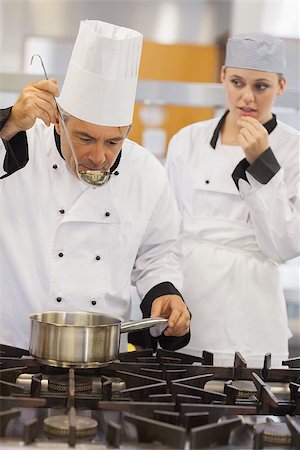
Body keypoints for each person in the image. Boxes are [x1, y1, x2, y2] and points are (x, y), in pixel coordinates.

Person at [0, 19, 190, 355]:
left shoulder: (146, 172)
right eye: (85, 138)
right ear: (59, 122)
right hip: (14, 348)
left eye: (114, 141)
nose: (99, 156)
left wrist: (164, 291)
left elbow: (158, 253)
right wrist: (8, 122)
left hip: (103, 355)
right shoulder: (17, 148)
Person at [165, 32, 300, 367]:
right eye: (238, 82)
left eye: (261, 86)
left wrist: (263, 164)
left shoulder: (294, 149)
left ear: (280, 87)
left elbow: (284, 247)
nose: (247, 97)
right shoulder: (188, 140)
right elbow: (166, 231)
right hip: (191, 297)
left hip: (251, 307)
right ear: (223, 76)